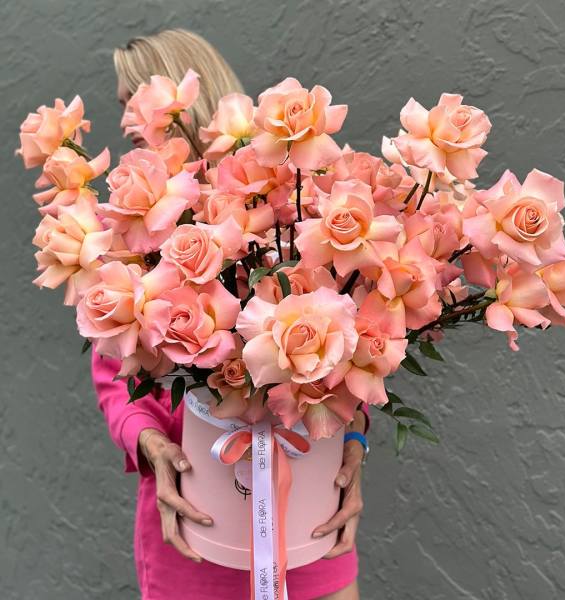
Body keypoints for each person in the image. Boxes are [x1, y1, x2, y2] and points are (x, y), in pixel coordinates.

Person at [93, 28, 368, 600]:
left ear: (183, 96)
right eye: (122, 104)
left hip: (310, 527)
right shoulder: (127, 230)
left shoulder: (287, 200)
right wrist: (147, 442)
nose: (125, 121)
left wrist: (354, 445)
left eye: (134, 100)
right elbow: (117, 378)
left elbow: (352, 355)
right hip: (194, 521)